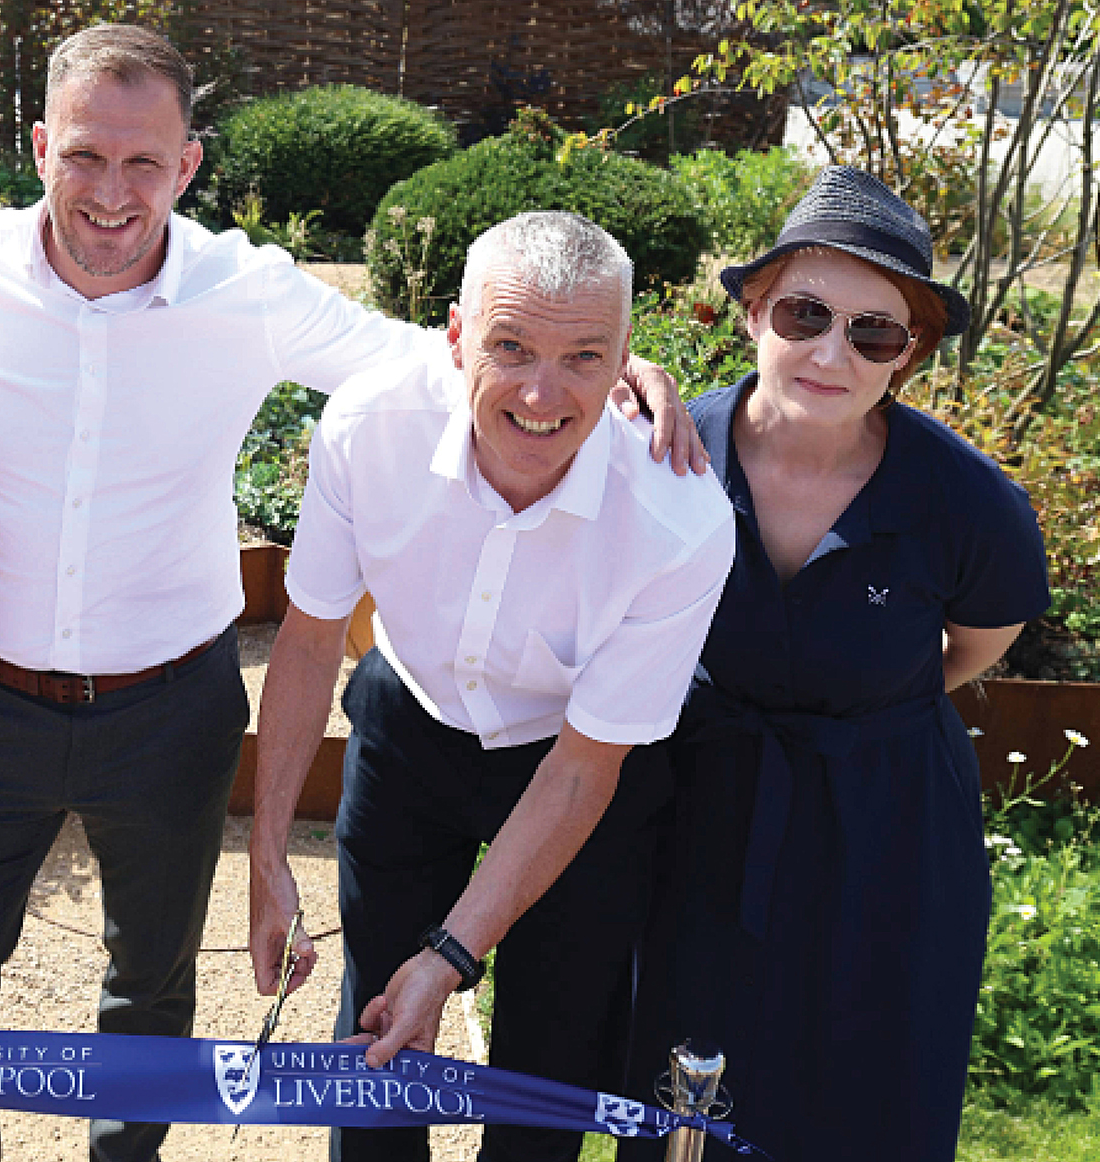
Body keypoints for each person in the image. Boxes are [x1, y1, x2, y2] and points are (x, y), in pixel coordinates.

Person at [0, 23, 705, 1162]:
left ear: (189, 163)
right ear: (41, 144)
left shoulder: (243, 292)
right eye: (85, 157)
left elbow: (442, 354)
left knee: (149, 988)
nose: (113, 191)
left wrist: (603, 369)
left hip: (167, 709)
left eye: (144, 161)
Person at [247, 211, 734, 1162]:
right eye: (508, 346)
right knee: (374, 1039)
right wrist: (268, 855)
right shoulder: (367, 426)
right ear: (455, 335)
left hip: (575, 766)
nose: (541, 393)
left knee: (546, 1071)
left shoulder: (679, 520)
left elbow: (584, 770)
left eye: (585, 357)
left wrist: (452, 957)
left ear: (628, 357)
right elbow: (307, 642)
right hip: (411, 720)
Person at [622, 166, 1051, 1162]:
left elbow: (977, 645)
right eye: (806, 314)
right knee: (685, 1090)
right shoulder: (664, 452)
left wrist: (852, 703)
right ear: (752, 312)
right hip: (697, 816)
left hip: (888, 830)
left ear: (909, 356)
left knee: (865, 1091)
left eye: (874, 331)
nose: (831, 352)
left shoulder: (969, 503)